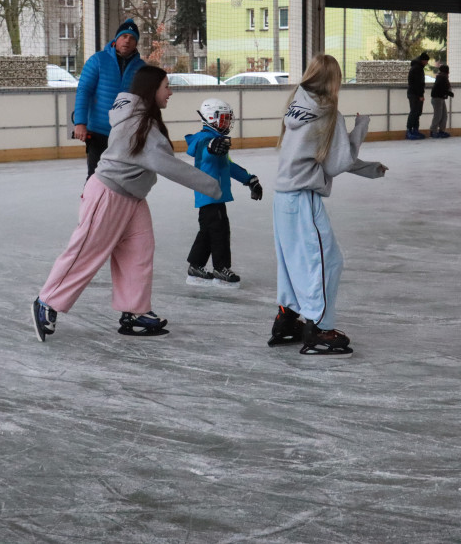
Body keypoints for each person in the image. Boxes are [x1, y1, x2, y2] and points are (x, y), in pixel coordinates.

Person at [32, 66, 221, 342]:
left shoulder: (143, 118)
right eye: (166, 86)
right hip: (108, 194)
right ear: (151, 89)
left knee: (139, 251)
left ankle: (134, 312)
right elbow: (167, 165)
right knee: (86, 251)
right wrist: (212, 186)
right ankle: (46, 302)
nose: (170, 92)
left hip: (133, 197)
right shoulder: (137, 123)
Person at [268, 54, 387, 357]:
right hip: (303, 198)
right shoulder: (328, 112)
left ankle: (287, 319)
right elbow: (337, 163)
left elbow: (323, 157)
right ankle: (319, 330)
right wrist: (360, 129)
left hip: (282, 197)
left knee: (291, 261)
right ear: (334, 80)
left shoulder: (298, 103)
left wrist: (369, 168)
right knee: (326, 262)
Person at [184, 98, 263, 285]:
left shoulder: (217, 140)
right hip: (208, 195)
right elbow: (201, 151)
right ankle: (221, 268)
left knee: (207, 231)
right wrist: (211, 148)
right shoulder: (205, 139)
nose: (227, 123)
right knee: (220, 232)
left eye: (228, 119)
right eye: (223, 118)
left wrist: (249, 179)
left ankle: (195, 266)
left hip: (214, 196)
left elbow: (228, 166)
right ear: (211, 118)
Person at [73, 19, 146, 180]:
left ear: (136, 44)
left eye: (132, 38)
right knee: (95, 177)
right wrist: (80, 123)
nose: (127, 40)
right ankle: (91, 205)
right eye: (124, 36)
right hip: (98, 131)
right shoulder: (98, 60)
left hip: (125, 133)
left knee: (122, 179)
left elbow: (144, 101)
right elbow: (84, 91)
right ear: (116, 39)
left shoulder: (141, 68)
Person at [405, 52, 429, 139]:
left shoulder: (418, 68)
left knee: (417, 112)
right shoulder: (417, 69)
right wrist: (420, 95)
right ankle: (409, 130)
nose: (427, 63)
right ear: (423, 60)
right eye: (426, 61)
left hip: (414, 93)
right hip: (414, 94)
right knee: (414, 112)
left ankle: (415, 129)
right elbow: (417, 83)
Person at [429, 64, 453, 138]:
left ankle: (441, 130)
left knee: (444, 115)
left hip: (440, 98)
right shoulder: (442, 78)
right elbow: (441, 88)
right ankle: (433, 131)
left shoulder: (442, 77)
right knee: (438, 115)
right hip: (437, 98)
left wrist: (447, 93)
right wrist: (449, 93)